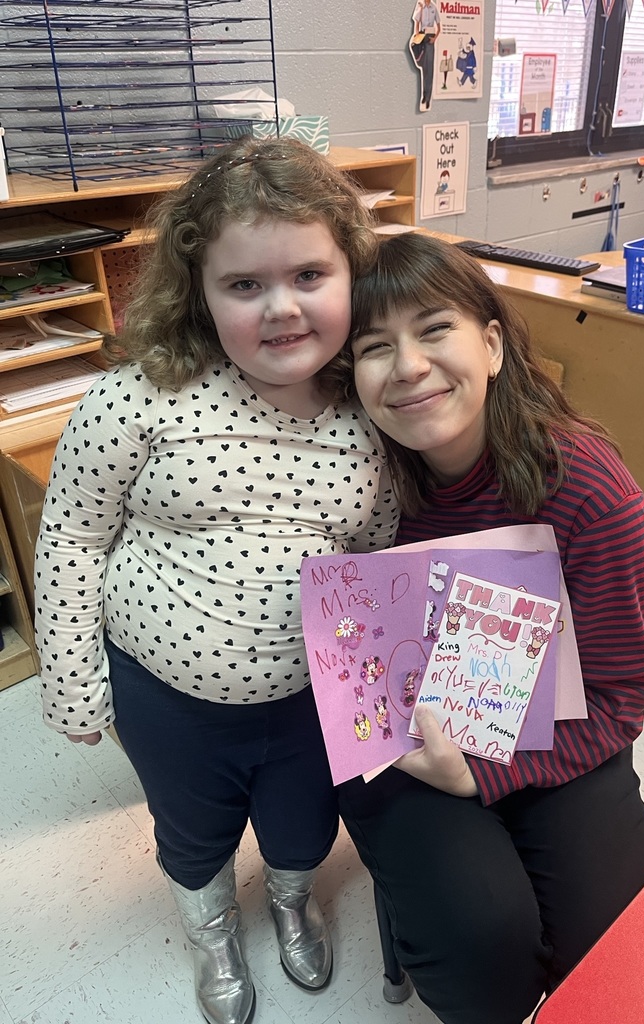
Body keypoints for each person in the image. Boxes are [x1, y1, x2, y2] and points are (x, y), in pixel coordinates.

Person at [33, 135, 399, 1024]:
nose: (282, 308)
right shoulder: (137, 400)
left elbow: (380, 554)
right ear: (198, 292)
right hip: (166, 693)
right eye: (245, 285)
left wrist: (381, 703)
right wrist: (75, 683)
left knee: (305, 826)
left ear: (353, 274)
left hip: (308, 697)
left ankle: (287, 900)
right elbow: (73, 535)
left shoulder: (372, 409)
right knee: (192, 835)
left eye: (310, 275)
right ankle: (211, 933)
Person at [333, 232, 644, 1024]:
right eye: (375, 347)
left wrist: (485, 775)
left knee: (623, 957)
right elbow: (343, 670)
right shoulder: (354, 485)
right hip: (405, 747)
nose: (408, 365)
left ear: (490, 344)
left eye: (434, 329)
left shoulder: (585, 489)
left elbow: (622, 695)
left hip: (557, 735)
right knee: (485, 961)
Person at [412, 0, 440, 109]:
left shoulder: (434, 7)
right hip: (422, 37)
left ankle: (428, 98)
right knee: (424, 69)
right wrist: (417, 33)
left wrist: (435, 38)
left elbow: (439, 27)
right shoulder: (420, 5)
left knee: (430, 70)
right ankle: (424, 95)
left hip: (430, 39)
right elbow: (417, 22)